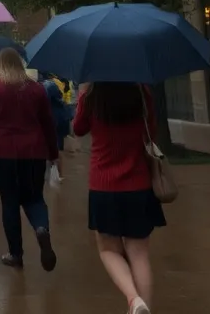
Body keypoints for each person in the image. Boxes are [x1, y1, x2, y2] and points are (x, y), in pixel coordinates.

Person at [73, 82, 166, 314]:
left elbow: (78, 128)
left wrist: (82, 96)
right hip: (139, 184)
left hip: (103, 186)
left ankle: (134, 299)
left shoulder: (92, 94)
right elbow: (151, 132)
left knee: (108, 250)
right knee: (140, 254)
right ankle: (144, 306)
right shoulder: (141, 91)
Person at [0, 48, 58, 271]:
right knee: (34, 198)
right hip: (34, 152)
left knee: (10, 202)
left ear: (0, 65)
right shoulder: (37, 89)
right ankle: (41, 228)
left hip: (3, 153)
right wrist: (53, 153)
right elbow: (48, 124)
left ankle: (15, 254)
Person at [41, 73, 73, 182]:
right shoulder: (58, 84)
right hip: (61, 119)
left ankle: (52, 175)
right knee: (58, 148)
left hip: (52, 121)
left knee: (52, 149)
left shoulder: (46, 86)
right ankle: (59, 175)